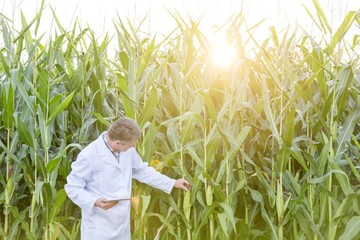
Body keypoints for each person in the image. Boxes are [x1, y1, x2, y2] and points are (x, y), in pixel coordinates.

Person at [64, 117, 190, 240]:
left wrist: (172, 183)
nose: (133, 148)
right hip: (99, 228)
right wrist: (94, 201)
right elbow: (72, 187)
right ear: (118, 143)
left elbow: (142, 171)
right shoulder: (89, 155)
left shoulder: (127, 151)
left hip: (122, 226)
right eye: (130, 145)